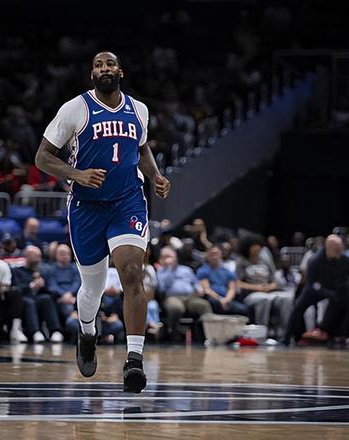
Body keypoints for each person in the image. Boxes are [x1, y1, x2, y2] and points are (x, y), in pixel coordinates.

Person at [35, 51, 170, 393]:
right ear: (92, 74)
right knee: (91, 289)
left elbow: (142, 149)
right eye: (98, 65)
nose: (104, 68)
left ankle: (134, 360)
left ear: (120, 71)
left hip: (127, 202)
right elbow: (42, 157)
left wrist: (155, 175)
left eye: (110, 64)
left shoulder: (139, 109)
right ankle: (87, 332)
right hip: (87, 208)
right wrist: (77, 174)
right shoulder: (75, 108)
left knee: (132, 273)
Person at [282, 235, 349, 345]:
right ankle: (286, 337)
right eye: (337, 250)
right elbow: (312, 283)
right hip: (317, 289)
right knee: (298, 308)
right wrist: (328, 293)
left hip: (340, 288)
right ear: (328, 248)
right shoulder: (315, 260)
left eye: (340, 250)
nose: (339, 253)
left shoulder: (344, 259)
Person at [11, 245, 63, 343]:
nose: (39, 259)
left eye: (39, 256)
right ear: (27, 256)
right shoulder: (17, 271)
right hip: (24, 298)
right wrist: (31, 286)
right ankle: (35, 332)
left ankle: (55, 331)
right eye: (36, 256)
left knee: (46, 298)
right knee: (29, 302)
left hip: (38, 297)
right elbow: (16, 289)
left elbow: (51, 289)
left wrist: (43, 285)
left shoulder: (43, 271)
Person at [156, 246, 211, 339]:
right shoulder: (160, 273)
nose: (168, 259)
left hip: (190, 298)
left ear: (176, 257)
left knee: (204, 305)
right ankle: (173, 332)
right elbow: (161, 289)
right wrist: (169, 270)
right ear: (161, 259)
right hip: (172, 298)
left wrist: (199, 289)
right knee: (176, 308)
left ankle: (208, 334)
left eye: (169, 256)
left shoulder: (186, 270)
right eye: (164, 257)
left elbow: (195, 282)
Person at [197, 246, 248, 317]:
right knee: (214, 303)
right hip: (213, 299)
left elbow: (232, 289)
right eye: (211, 254)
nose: (214, 256)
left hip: (227, 299)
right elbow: (207, 289)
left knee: (244, 309)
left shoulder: (228, 272)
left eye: (216, 253)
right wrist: (220, 300)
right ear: (207, 256)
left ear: (221, 255)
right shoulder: (203, 270)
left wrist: (226, 300)